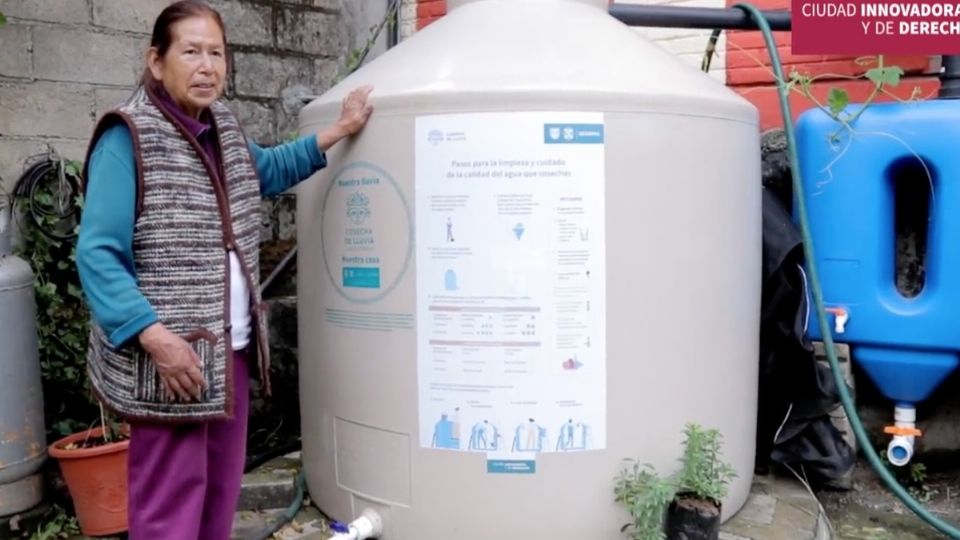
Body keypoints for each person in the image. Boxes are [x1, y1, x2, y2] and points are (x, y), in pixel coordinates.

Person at [74, 2, 373, 538]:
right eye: (191, 51)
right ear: (157, 60)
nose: (207, 65)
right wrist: (154, 337)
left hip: (227, 354)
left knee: (218, 496)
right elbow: (97, 253)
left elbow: (270, 168)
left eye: (216, 53)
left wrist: (341, 130)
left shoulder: (223, 130)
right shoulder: (129, 137)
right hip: (169, 360)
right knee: (170, 507)